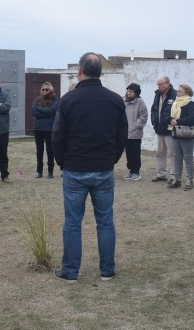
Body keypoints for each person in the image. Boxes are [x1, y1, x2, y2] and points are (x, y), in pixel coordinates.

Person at [52, 53, 127, 283]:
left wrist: (63, 163)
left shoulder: (68, 100)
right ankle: (107, 270)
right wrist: (110, 160)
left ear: (80, 71)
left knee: (73, 223)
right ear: (100, 72)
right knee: (105, 221)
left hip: (76, 169)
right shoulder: (115, 100)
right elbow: (121, 136)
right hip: (103, 168)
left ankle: (70, 272)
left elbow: (57, 137)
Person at [167, 84, 194, 190]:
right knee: (177, 158)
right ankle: (177, 179)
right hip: (175, 134)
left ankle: (190, 180)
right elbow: (169, 115)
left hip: (187, 135)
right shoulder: (175, 103)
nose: (177, 93)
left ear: (187, 92)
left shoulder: (191, 104)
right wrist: (170, 119)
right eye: (178, 91)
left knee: (188, 158)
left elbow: (191, 118)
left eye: (180, 91)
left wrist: (177, 121)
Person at [150, 76, 177, 183]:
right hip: (159, 128)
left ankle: (173, 175)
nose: (159, 86)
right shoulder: (157, 95)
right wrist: (154, 122)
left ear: (167, 84)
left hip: (170, 129)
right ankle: (161, 174)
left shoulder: (175, 95)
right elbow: (154, 109)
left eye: (160, 84)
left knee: (172, 153)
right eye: (158, 84)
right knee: (160, 152)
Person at [31, 82, 59, 178]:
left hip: (49, 129)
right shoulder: (38, 99)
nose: (44, 91)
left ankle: (50, 172)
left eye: (46, 89)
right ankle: (39, 171)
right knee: (39, 150)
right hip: (38, 128)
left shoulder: (55, 100)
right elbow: (33, 111)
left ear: (51, 90)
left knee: (50, 150)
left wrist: (40, 110)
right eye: (43, 89)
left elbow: (52, 111)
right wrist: (45, 113)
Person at [123, 83, 148, 181]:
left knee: (135, 153)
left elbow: (144, 116)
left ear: (136, 93)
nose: (128, 93)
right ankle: (131, 170)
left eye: (131, 91)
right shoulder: (123, 101)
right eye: (128, 91)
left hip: (135, 133)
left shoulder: (140, 102)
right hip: (125, 133)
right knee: (128, 153)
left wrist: (136, 126)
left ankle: (136, 172)